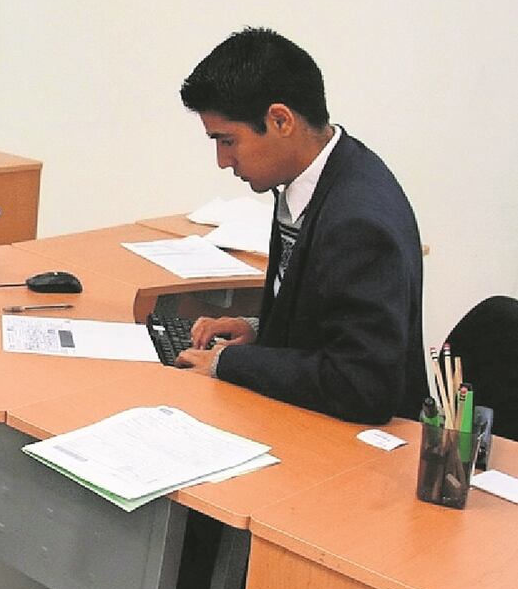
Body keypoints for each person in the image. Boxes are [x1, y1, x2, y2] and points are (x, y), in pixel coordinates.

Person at [176, 27, 426, 425]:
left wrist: (232, 363)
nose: (223, 161)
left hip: (357, 447)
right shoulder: (312, 176)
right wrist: (257, 331)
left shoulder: (359, 222)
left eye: (227, 141)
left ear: (280, 120)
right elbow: (328, 322)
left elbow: (363, 386)